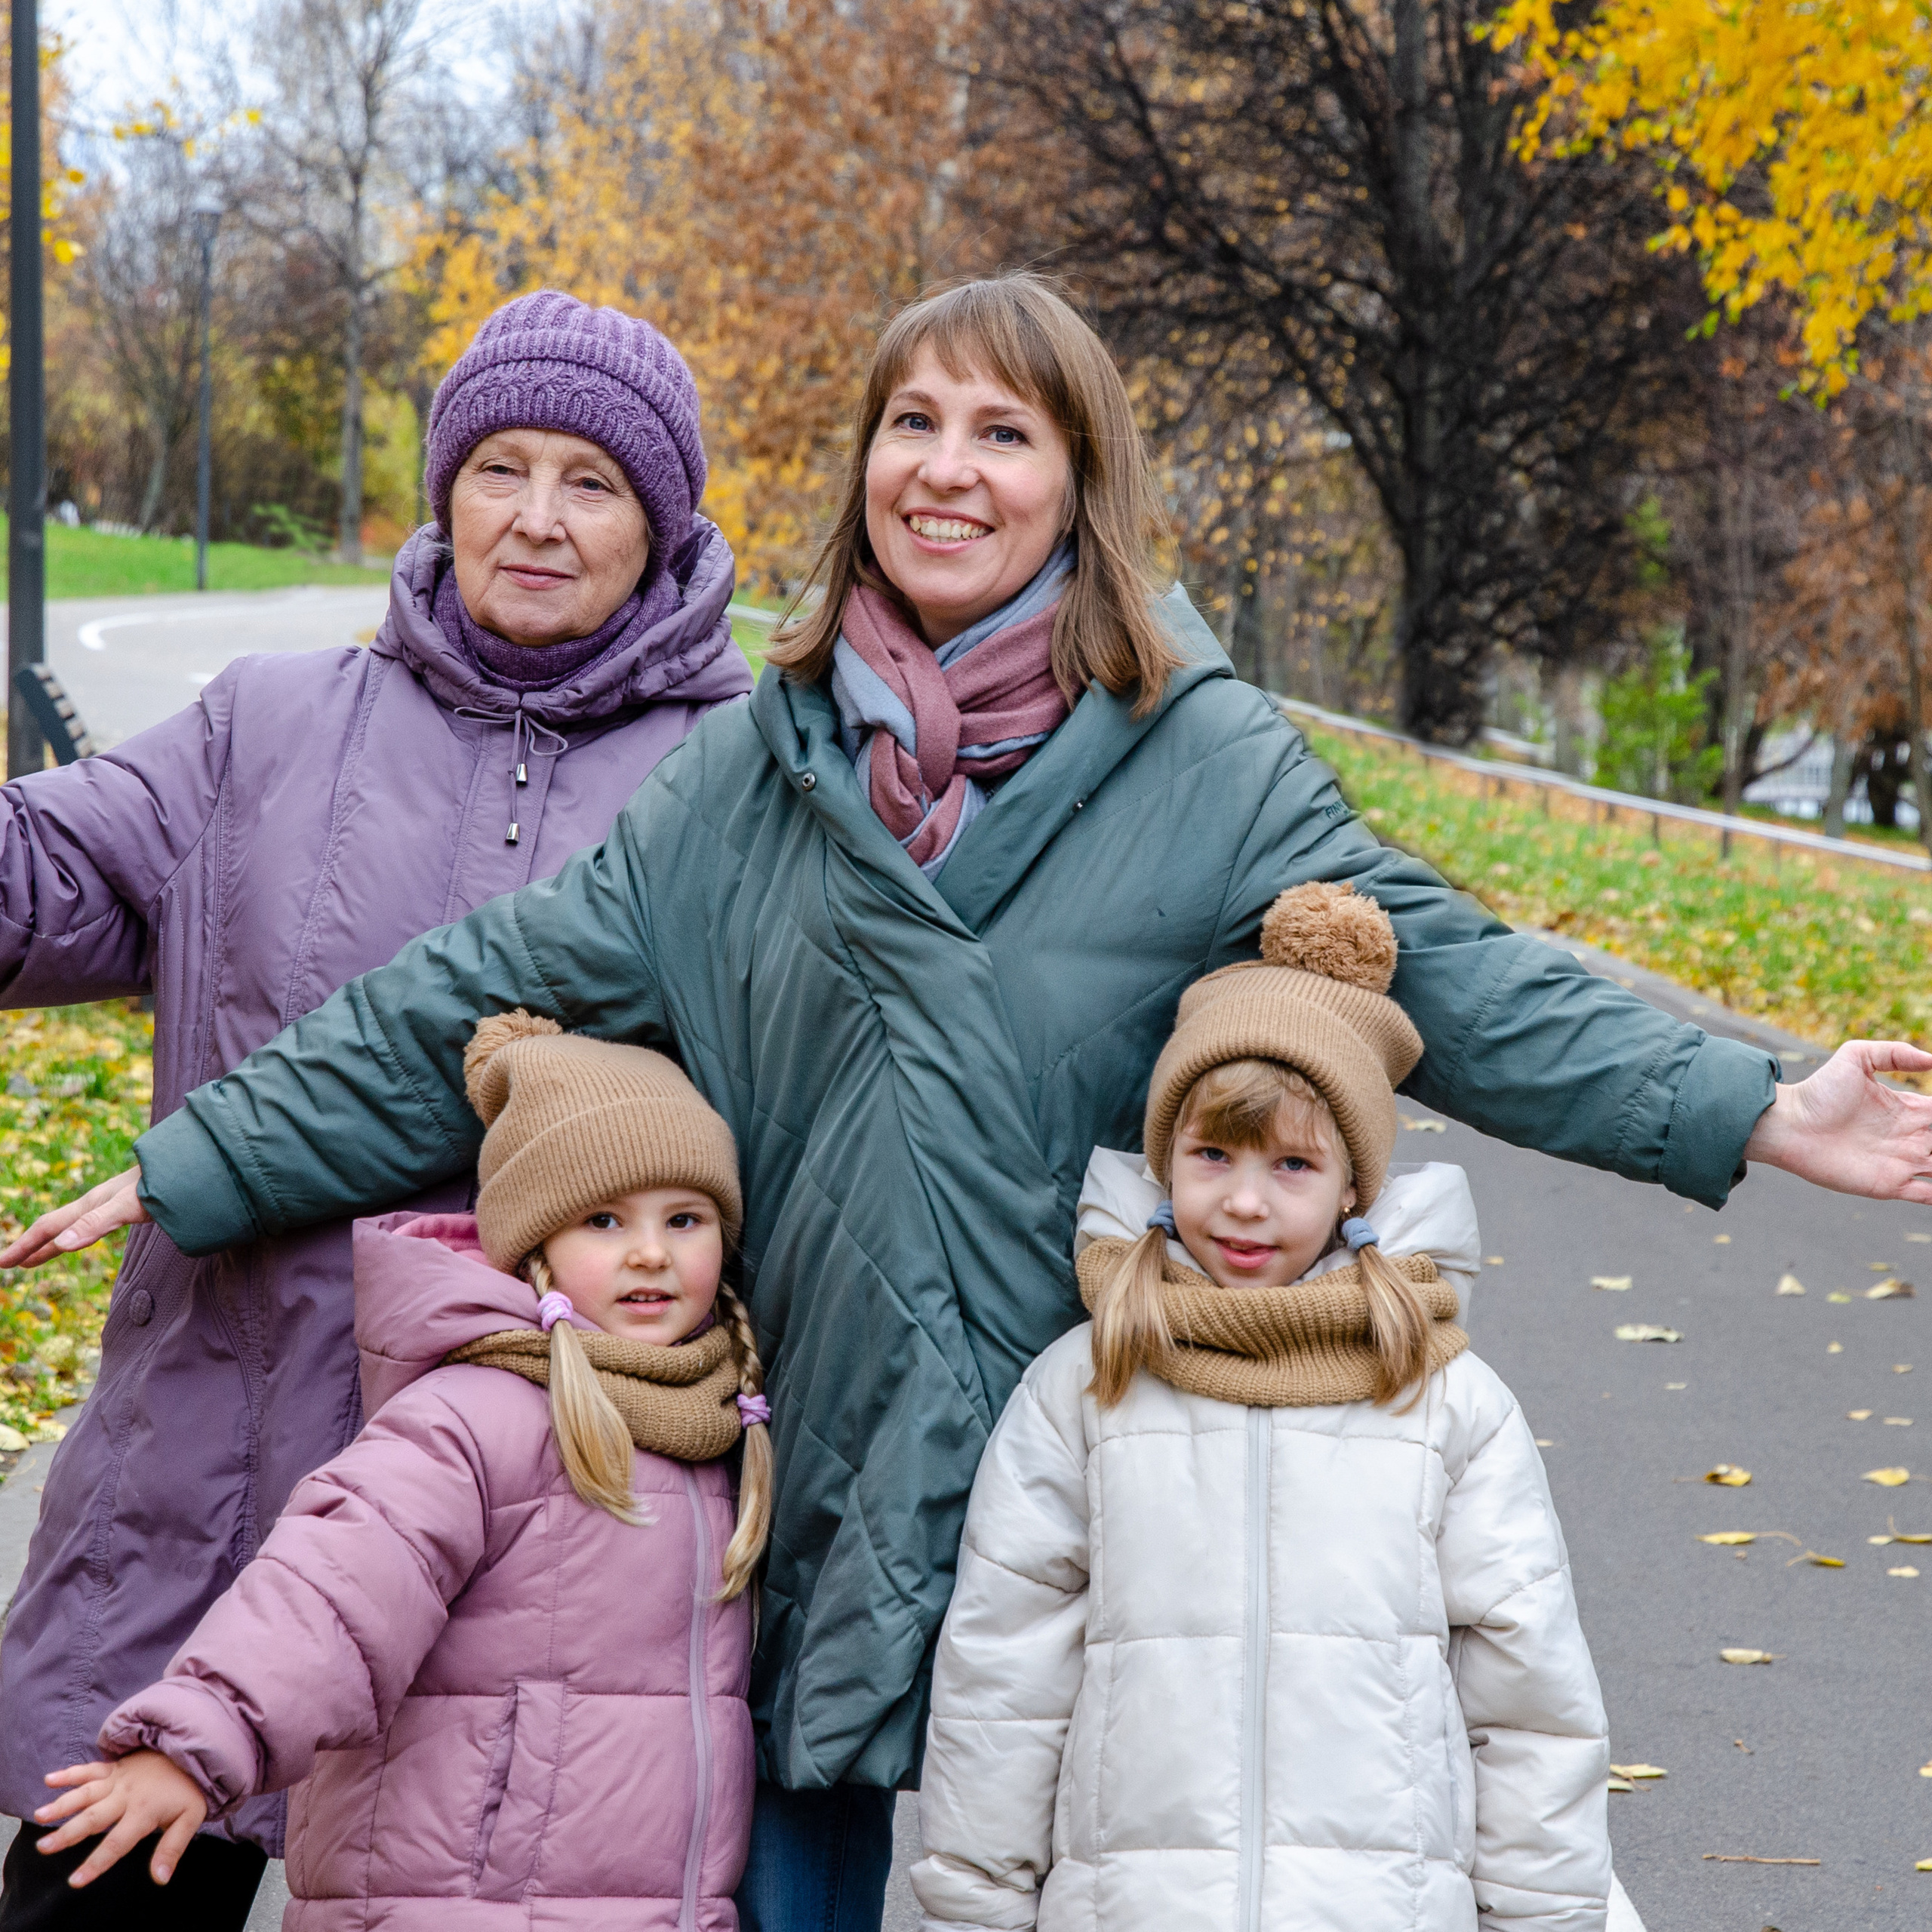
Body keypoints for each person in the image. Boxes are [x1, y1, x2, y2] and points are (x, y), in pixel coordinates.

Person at [5, 272, 1928, 1932]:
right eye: (908, 420)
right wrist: (202, 1156)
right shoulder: (746, 775)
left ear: (1076, 482)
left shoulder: (1204, 761)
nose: (945, 463)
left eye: (1001, 430)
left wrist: (1757, 1102)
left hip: (1087, 1481)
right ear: (857, 470)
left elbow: (1454, 973)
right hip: (801, 1484)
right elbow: (459, 997)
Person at [0, 290, 751, 1928]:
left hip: (549, 1580)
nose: (536, 517)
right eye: (497, 467)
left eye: (592, 482)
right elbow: (39, 872)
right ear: (442, 486)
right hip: (201, 1492)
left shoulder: (747, 778)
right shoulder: (265, 726)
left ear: (666, 515)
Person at [912, 881, 1615, 1931]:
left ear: (1352, 1189)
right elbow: (1003, 1679)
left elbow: (1530, 1699)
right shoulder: (1087, 1384)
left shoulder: (1442, 1399)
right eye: (1213, 1156)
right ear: (1164, 1163)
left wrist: (1546, 1915)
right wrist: (975, 1905)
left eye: (1293, 1164)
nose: (1245, 1201)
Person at [29, 1016, 768, 1926]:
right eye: (604, 1219)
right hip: (451, 1899)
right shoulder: (473, 1414)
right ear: (533, 1244)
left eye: (683, 1219)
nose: (650, 1251)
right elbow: (334, 1590)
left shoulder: (712, 1421)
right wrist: (195, 1741)